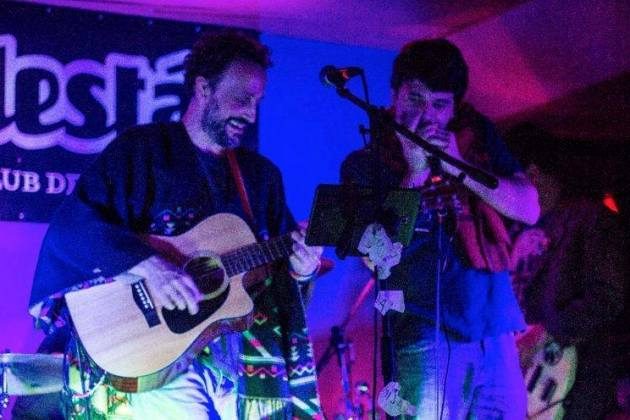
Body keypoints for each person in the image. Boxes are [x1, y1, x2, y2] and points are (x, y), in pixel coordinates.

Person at [27, 31, 323, 419]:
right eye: (242, 98)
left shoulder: (260, 177)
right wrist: (151, 266)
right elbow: (75, 226)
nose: (251, 114)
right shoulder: (141, 151)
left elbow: (277, 280)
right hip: (156, 354)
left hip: (246, 362)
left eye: (257, 102)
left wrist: (301, 271)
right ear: (203, 88)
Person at [340, 38, 539, 418]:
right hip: (423, 331)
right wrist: (415, 172)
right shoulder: (364, 164)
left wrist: (458, 166)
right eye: (415, 99)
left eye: (440, 104)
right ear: (394, 96)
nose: (426, 115)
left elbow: (528, 208)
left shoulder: (475, 142)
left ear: (454, 109)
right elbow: (376, 257)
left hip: (494, 327)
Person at [508, 125, 628, 419]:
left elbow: (607, 296)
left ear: (532, 174)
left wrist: (543, 334)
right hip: (519, 382)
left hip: (569, 382)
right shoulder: (511, 230)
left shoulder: (588, 220)